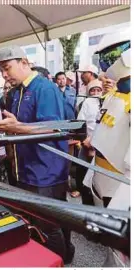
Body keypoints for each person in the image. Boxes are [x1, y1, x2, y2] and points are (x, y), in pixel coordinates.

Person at [0, 45, 74, 263]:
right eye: (1, 71)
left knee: (47, 226)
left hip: (46, 171)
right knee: (48, 221)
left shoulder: (44, 88)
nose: (4, 75)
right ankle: (65, 256)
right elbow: (21, 126)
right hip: (26, 169)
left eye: (7, 68)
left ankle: (58, 262)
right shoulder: (17, 92)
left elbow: (53, 127)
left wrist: (15, 128)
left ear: (24, 63)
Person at [86, 31, 130, 267]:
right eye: (102, 57)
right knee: (111, 245)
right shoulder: (113, 95)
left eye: (110, 56)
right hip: (101, 179)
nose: (105, 63)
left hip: (122, 186)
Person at [74, 79, 103, 204]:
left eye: (98, 90)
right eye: (93, 90)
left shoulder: (108, 101)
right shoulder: (87, 102)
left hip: (102, 146)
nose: (96, 92)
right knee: (82, 173)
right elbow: (81, 122)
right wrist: (85, 141)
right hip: (86, 143)